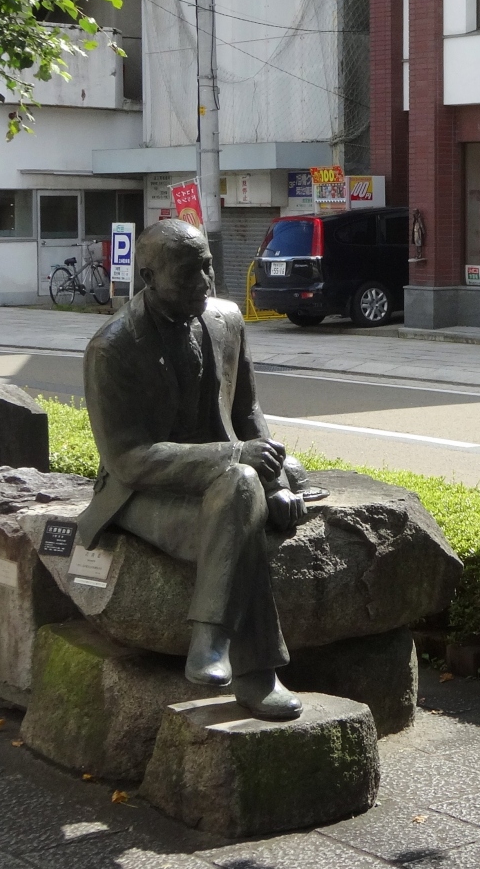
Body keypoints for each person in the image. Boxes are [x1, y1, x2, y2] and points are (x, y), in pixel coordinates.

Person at [77, 220, 306, 720]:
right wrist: (236, 459)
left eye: (207, 266)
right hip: (142, 493)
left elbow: (247, 412)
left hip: (224, 486)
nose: (205, 282)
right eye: (188, 273)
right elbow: (127, 460)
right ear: (148, 277)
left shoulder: (226, 320)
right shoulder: (112, 349)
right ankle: (247, 667)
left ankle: (214, 642)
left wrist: (276, 482)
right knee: (241, 497)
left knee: (248, 488)